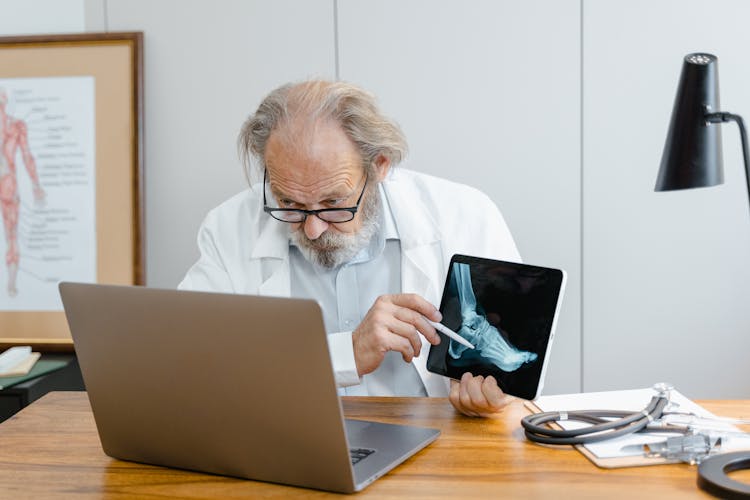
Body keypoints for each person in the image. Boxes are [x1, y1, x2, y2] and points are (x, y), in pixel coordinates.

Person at [179, 80, 521, 417]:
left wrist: (490, 398)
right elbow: (195, 367)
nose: (313, 229)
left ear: (380, 166)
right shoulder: (228, 227)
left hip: (437, 445)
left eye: (333, 202)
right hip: (289, 439)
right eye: (289, 201)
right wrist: (345, 354)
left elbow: (512, 367)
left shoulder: (466, 215)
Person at [0, 88, 45, 297]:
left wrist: (36, 184)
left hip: (8, 185)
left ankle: (11, 283)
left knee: (11, 235)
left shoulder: (17, 126)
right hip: (8, 183)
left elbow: (27, 156)